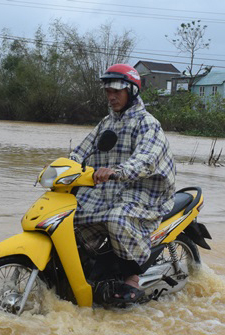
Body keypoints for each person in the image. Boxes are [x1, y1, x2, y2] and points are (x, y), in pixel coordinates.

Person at [69, 64, 175, 303]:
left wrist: (118, 171)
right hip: (110, 189)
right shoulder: (106, 123)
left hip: (144, 191)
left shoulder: (147, 123)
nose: (111, 96)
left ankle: (132, 278)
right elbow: (81, 151)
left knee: (116, 218)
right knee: (72, 215)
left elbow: (146, 159)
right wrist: (64, 165)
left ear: (132, 92)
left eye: (117, 91)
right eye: (108, 91)